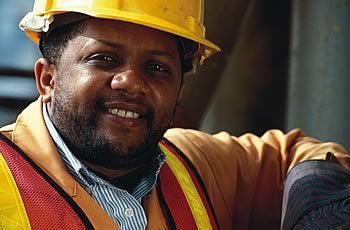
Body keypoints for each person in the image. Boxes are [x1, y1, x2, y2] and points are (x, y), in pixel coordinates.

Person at [0, 0, 349, 229]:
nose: (132, 83)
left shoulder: (193, 164)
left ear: (179, 90)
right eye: (104, 59)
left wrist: (321, 204)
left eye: (157, 67)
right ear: (48, 78)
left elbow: (297, 155)